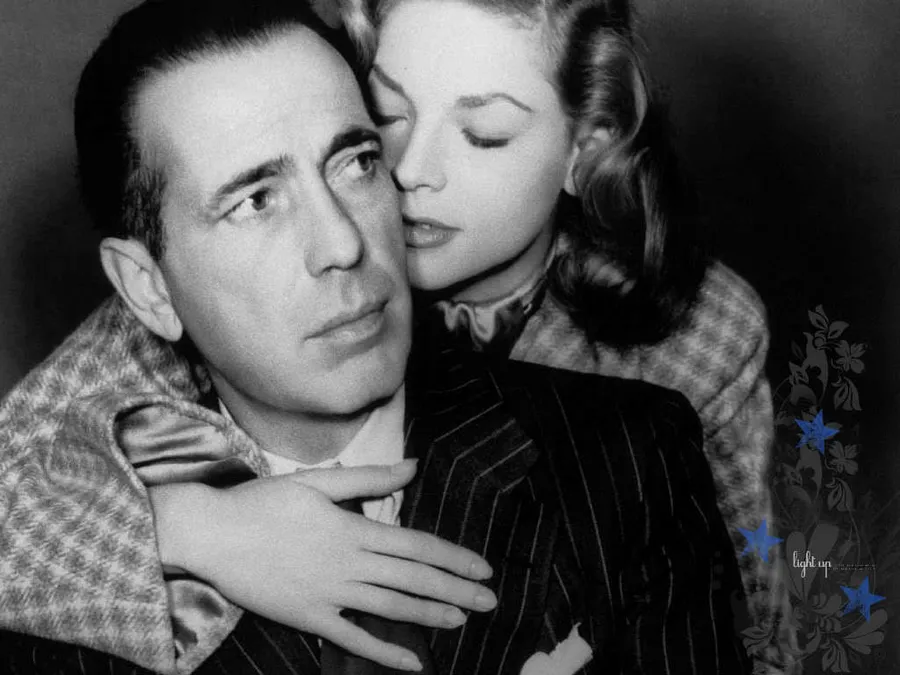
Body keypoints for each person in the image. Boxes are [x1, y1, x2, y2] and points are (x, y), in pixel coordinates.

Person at [0, 0, 752, 673]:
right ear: (148, 288)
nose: (343, 243)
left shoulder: (638, 450)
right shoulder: (68, 584)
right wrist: (183, 526)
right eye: (255, 201)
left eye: (358, 162)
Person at [357, 0, 787, 669]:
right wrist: (199, 530)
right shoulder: (287, 276)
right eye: (387, 114)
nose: (411, 168)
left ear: (584, 151)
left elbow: (758, 641)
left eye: (484, 134)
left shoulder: (701, 338)